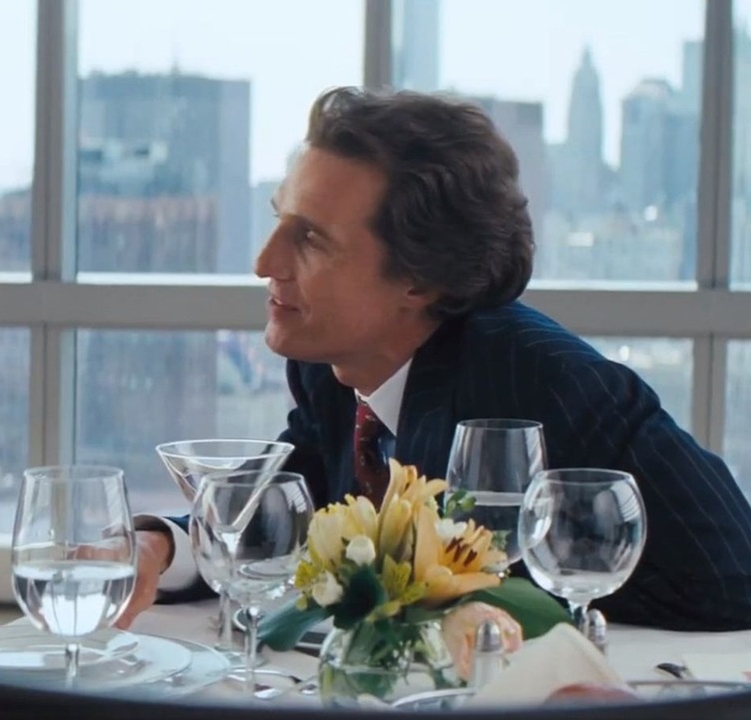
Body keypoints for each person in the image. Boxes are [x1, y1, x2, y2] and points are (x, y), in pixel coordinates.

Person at [121, 86, 751, 633]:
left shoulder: (547, 382)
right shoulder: (327, 364)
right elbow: (284, 516)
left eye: (309, 238)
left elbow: (735, 574)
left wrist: (507, 588)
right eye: (278, 218)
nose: (264, 262)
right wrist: (158, 546)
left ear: (419, 280)